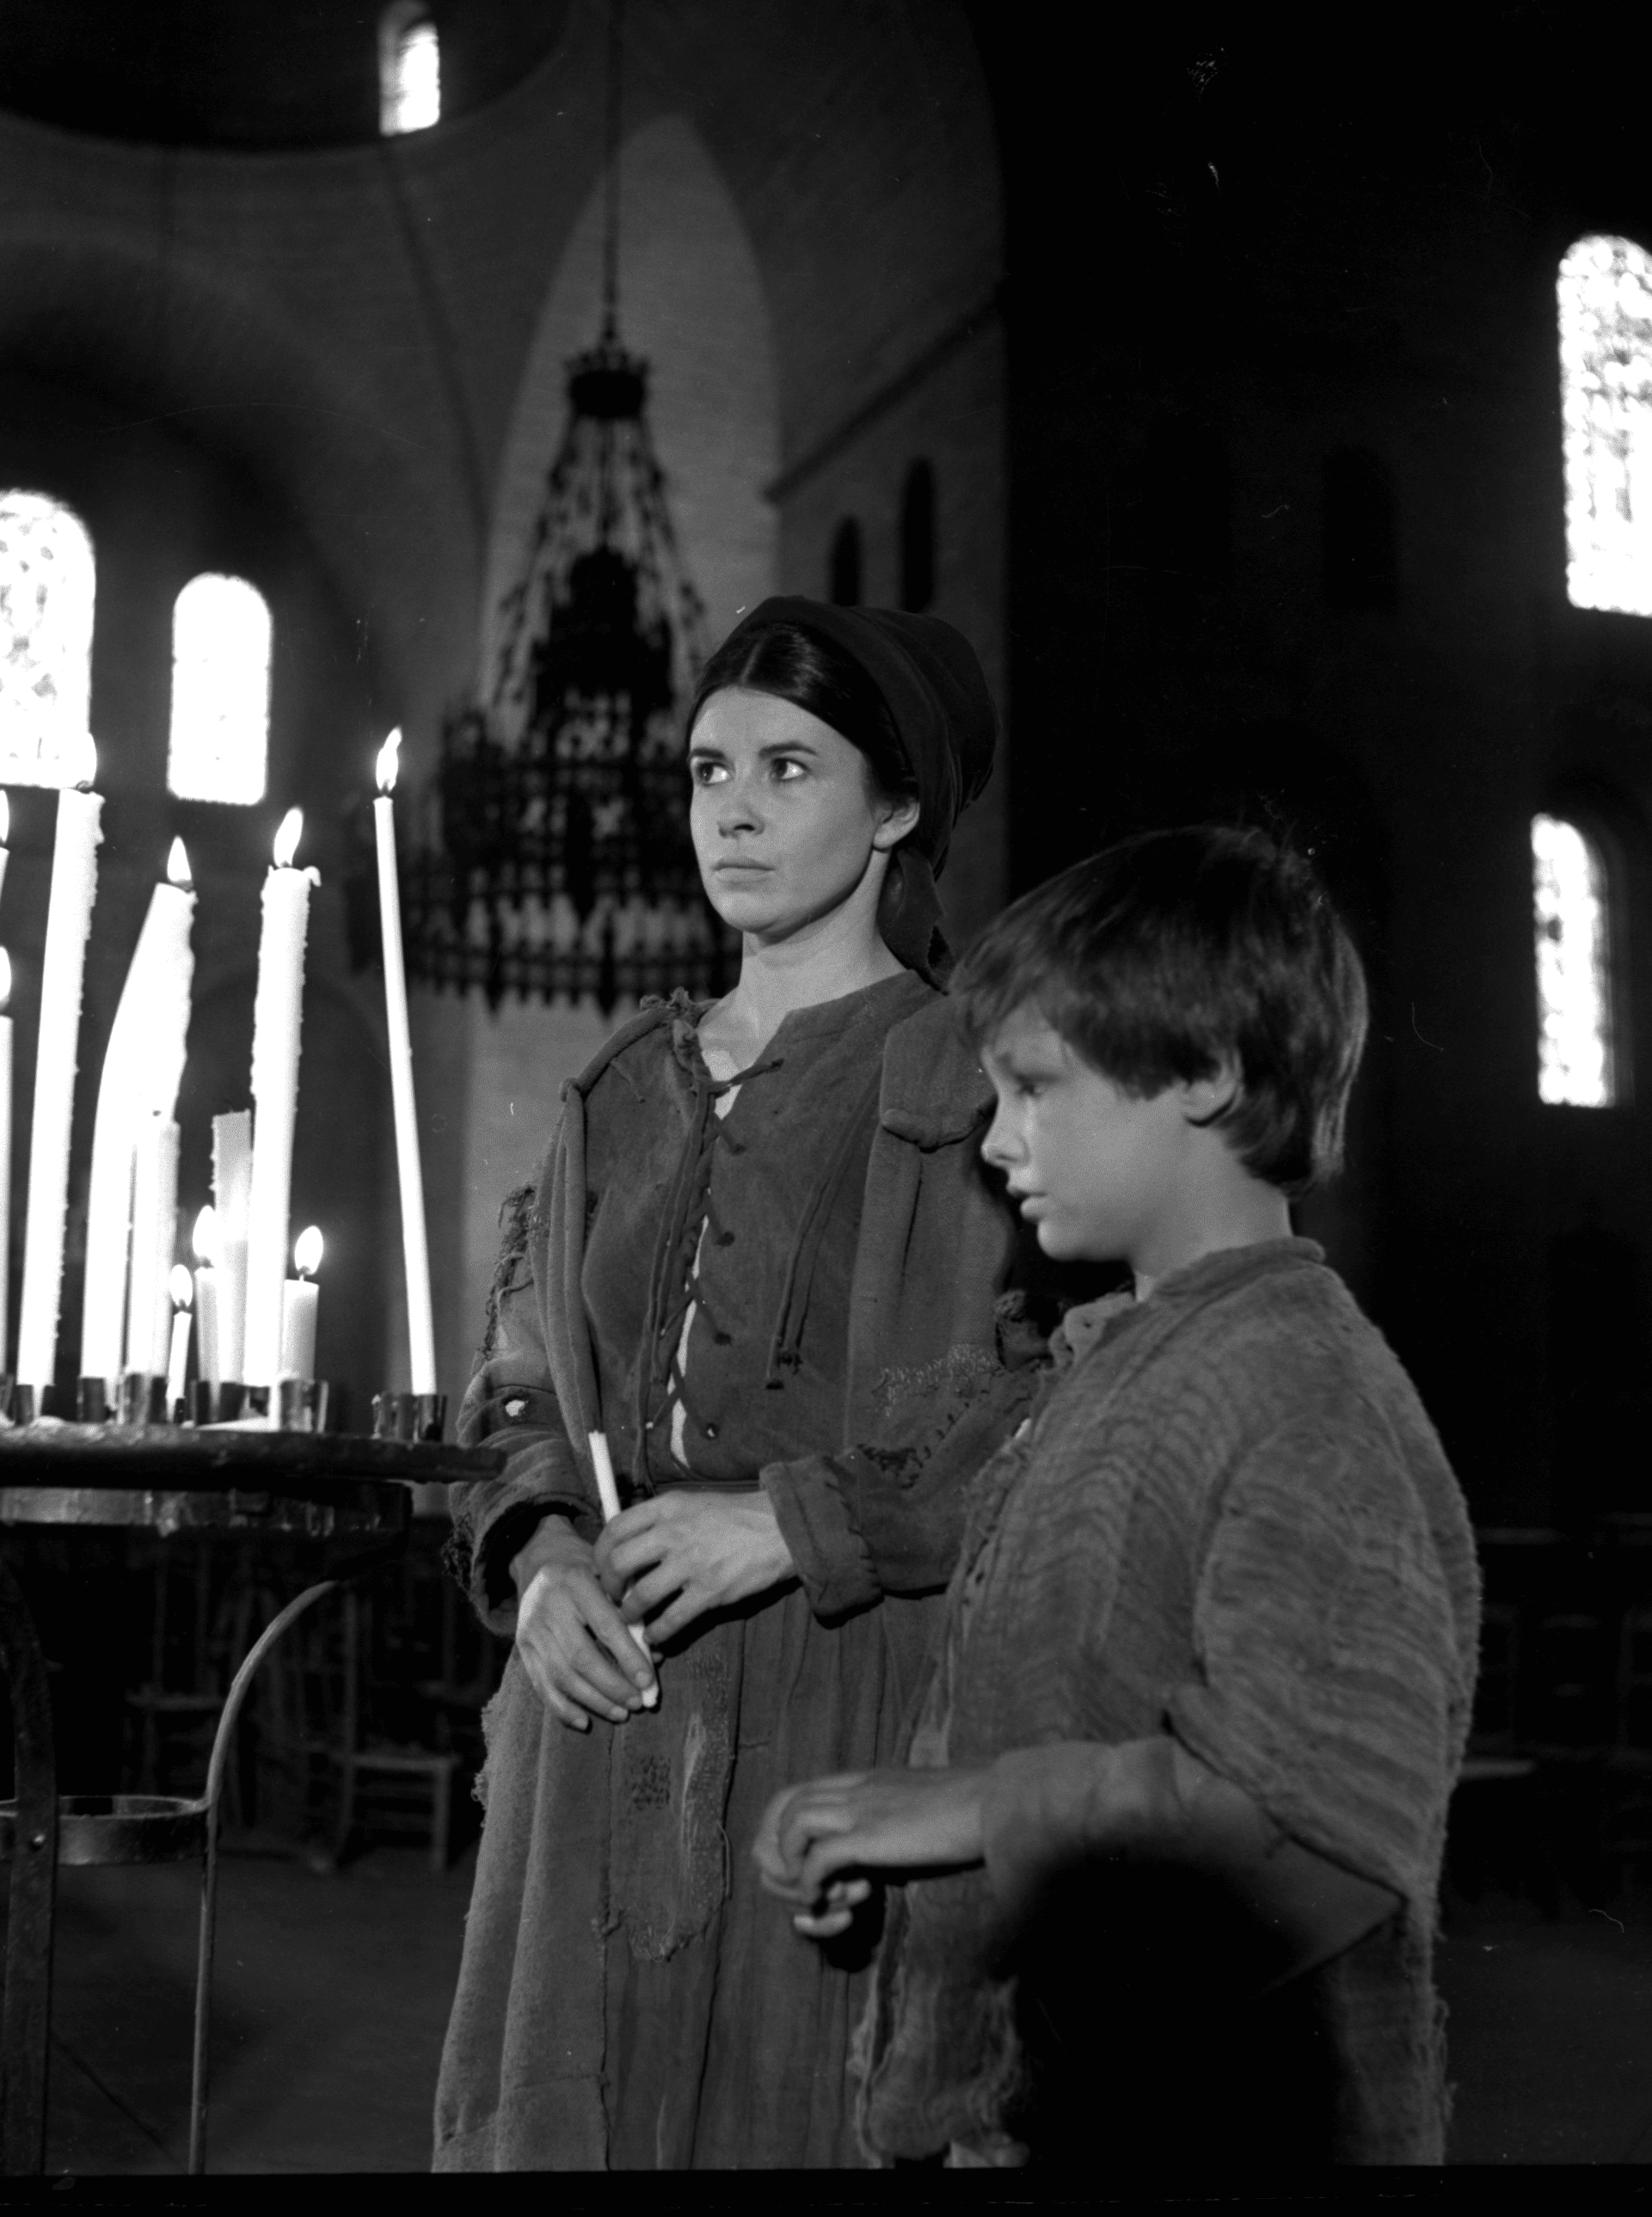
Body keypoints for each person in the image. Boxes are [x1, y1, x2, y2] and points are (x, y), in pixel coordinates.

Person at [754, 826, 1481, 2171]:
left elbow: (1322, 1831)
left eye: (1034, 1086)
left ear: (1204, 1071)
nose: (997, 1133)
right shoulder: (1113, 1361)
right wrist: (920, 1862)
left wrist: (972, 1813)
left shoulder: (1299, 1389)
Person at [433, 599, 1055, 2170]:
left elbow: (1063, 1405)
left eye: (790, 767)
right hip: (591, 1716)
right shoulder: (617, 1088)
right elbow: (519, 1381)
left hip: (848, 1705)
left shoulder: (974, 1075)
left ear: (896, 805)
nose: (736, 809)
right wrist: (542, 1556)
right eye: (711, 769)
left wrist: (791, 1527)